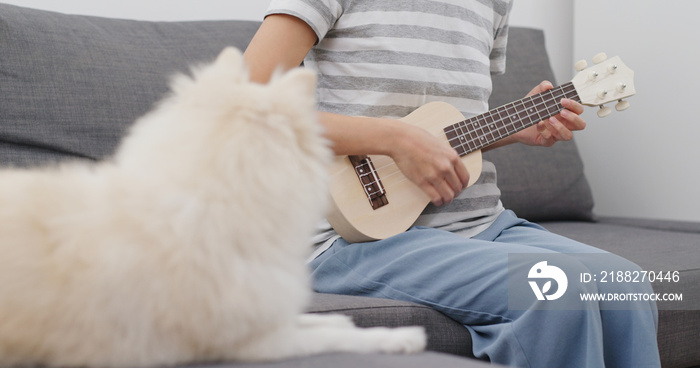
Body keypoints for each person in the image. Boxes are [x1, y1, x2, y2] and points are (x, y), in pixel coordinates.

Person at [243, 1, 661, 367]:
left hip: (480, 225)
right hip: (359, 237)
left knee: (626, 285)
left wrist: (516, 130)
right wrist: (392, 139)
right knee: (555, 288)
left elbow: (443, 133)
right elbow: (243, 108)